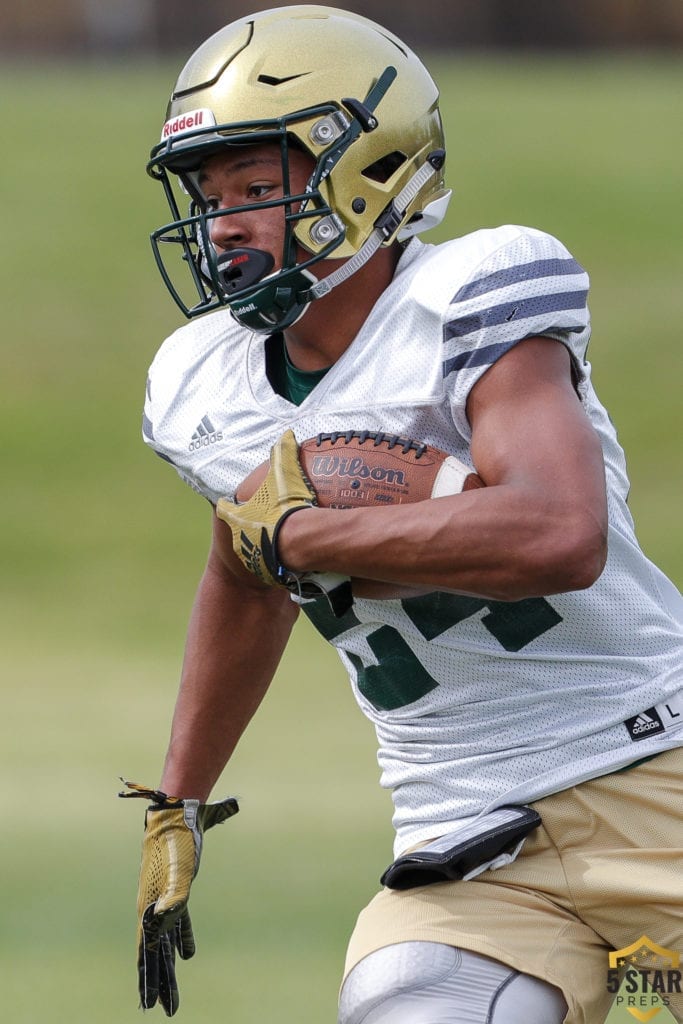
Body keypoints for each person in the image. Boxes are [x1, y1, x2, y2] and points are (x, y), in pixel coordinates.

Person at [125, 6, 683, 1022]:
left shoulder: (470, 292)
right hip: (467, 839)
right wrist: (180, 799)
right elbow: (244, 576)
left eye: (258, 187)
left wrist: (308, 536)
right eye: (210, 197)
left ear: (368, 170)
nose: (225, 223)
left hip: (651, 781)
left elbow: (557, 533)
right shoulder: (203, 384)